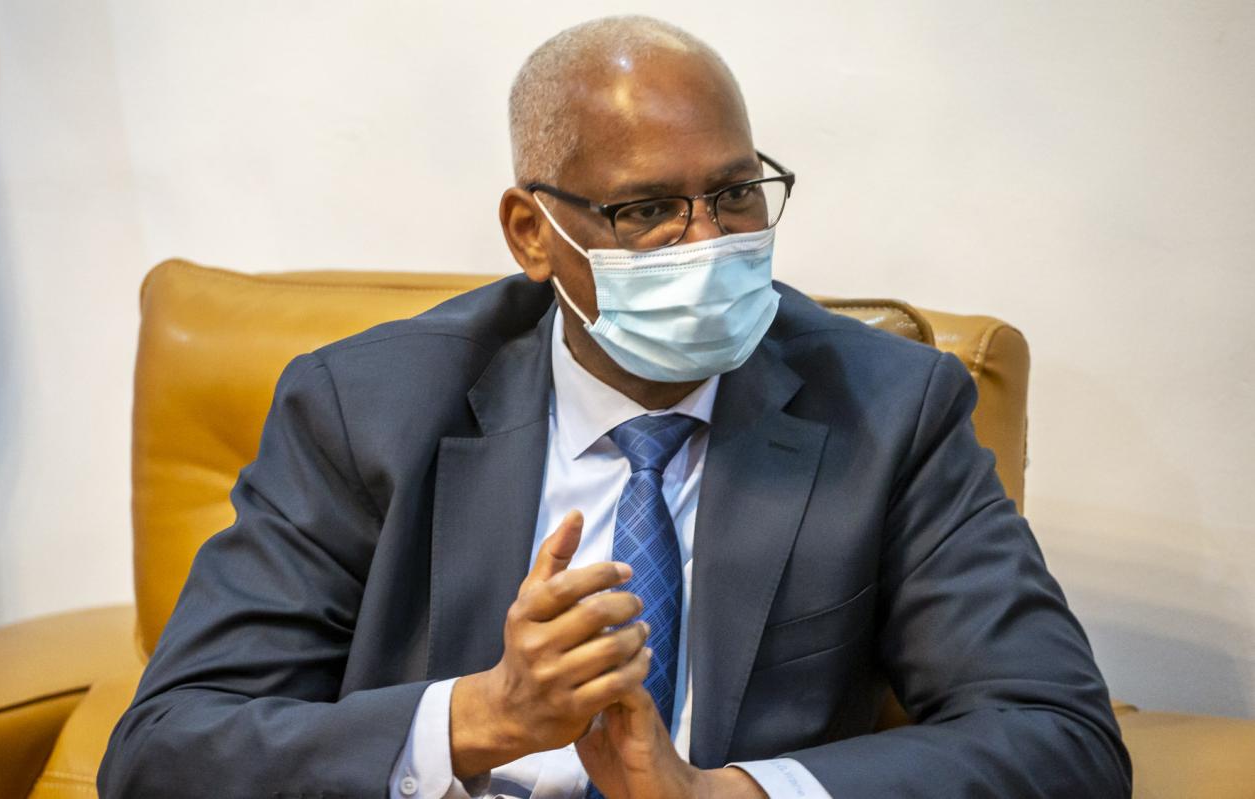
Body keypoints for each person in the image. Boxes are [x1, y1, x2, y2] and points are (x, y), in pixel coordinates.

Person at [98, 15, 1131, 798]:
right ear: (531, 232)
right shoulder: (364, 409)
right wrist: (479, 718)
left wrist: (731, 795)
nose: (708, 243)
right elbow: (163, 748)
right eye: (646, 210)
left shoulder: (890, 410)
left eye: (735, 194)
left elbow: (1060, 735)